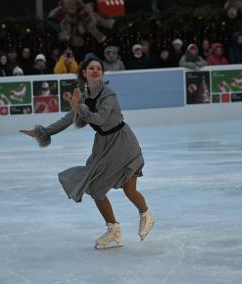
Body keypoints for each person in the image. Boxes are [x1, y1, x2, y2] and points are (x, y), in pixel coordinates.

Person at [20, 57, 154, 249]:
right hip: (103, 145)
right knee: (96, 188)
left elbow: (100, 119)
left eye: (99, 68)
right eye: (91, 68)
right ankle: (113, 229)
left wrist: (77, 106)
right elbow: (68, 119)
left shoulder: (109, 94)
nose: (95, 71)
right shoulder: (82, 95)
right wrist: (43, 132)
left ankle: (146, 214)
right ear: (84, 72)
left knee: (129, 189)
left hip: (123, 143)